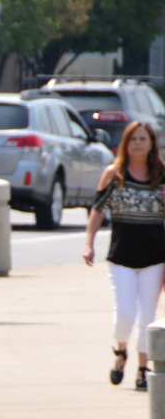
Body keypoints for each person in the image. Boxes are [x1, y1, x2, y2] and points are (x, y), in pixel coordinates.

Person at [83, 121, 165, 391]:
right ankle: (120, 353)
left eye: (144, 139)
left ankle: (143, 369)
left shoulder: (161, 174)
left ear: (152, 144)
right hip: (121, 256)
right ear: (126, 144)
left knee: (148, 317)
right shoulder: (114, 174)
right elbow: (97, 210)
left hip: (154, 256)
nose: (138, 143)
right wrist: (89, 243)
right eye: (133, 139)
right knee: (127, 313)